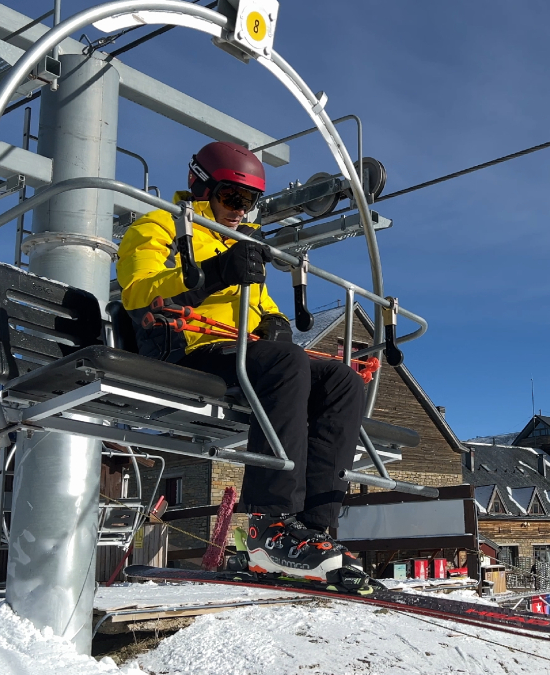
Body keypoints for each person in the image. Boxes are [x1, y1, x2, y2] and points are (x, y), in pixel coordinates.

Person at [116, 141, 367, 585]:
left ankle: (310, 527)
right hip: (187, 348)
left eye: (249, 201)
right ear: (200, 187)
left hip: (240, 351)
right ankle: (269, 524)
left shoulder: (236, 242)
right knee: (287, 364)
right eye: (231, 198)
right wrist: (212, 273)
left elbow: (264, 304)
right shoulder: (160, 225)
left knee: (342, 379)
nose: (240, 211)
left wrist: (275, 323)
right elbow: (138, 290)